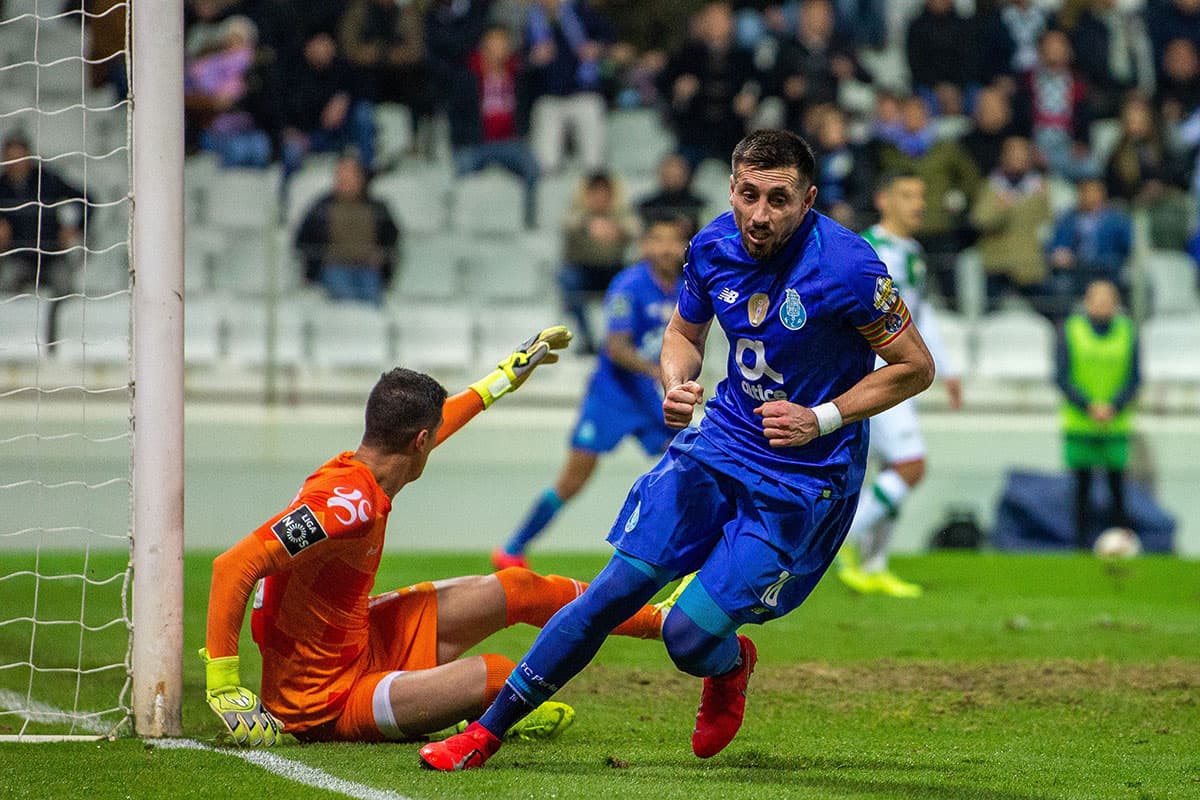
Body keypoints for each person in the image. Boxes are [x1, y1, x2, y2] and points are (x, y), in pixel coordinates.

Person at [418, 129, 935, 771]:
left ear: (808, 199)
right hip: (718, 444)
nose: (759, 215)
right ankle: (485, 733)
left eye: (778, 199)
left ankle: (730, 664)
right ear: (732, 189)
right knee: (610, 593)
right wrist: (676, 380)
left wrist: (822, 417)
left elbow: (915, 366)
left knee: (687, 640)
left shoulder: (851, 266)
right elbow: (682, 333)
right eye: (748, 195)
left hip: (802, 478)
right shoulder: (714, 244)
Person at [200, 327, 670, 746]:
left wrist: (504, 377)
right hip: (323, 700)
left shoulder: (365, 473)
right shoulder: (345, 504)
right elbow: (235, 565)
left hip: (360, 642)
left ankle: (659, 621)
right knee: (501, 679)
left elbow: (440, 421)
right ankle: (487, 710)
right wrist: (224, 681)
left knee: (519, 588)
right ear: (419, 441)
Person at [493, 216, 689, 570]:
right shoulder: (629, 286)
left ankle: (681, 553)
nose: (665, 247)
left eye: (673, 240)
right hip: (611, 397)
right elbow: (615, 347)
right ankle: (512, 548)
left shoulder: (686, 289)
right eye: (657, 238)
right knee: (573, 480)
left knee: (686, 467)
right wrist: (658, 372)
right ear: (644, 246)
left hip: (650, 399)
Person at [835, 172, 961, 598]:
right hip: (875, 373)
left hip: (901, 372)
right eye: (908, 195)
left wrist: (948, 368)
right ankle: (844, 539)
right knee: (911, 466)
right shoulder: (865, 249)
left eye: (922, 195)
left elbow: (915, 317)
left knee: (895, 469)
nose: (919, 204)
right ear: (884, 199)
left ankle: (874, 565)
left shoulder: (912, 253)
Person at [1055, 279, 1140, 549]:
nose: (1102, 305)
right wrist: (1088, 405)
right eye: (1097, 299)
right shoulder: (1071, 329)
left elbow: (1135, 377)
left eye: (1107, 299)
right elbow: (1061, 375)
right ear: (1087, 301)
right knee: (1082, 489)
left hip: (1115, 424)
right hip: (1081, 423)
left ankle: (1122, 544)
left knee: (1118, 490)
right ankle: (1080, 546)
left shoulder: (1127, 331)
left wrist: (1113, 405)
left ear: (1116, 303)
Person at [450, 25, 541, 230]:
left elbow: (526, 105)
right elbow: (457, 113)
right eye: (494, 44)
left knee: (533, 168)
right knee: (461, 169)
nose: (499, 49)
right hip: (476, 143)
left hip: (510, 142)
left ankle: (529, 222)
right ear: (484, 46)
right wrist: (461, 141)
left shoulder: (518, 75)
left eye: (503, 44)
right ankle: (458, 224)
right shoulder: (467, 77)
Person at [294, 156, 399, 305]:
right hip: (334, 267)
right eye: (341, 175)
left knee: (372, 300)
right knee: (345, 299)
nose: (345, 180)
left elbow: (391, 238)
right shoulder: (321, 208)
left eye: (350, 175)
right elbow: (302, 239)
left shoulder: (377, 208)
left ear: (360, 179)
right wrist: (318, 260)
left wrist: (382, 258)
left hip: (368, 268)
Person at [558, 171, 642, 354]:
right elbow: (566, 224)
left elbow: (637, 231)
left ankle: (623, 338)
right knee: (566, 279)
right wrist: (588, 222)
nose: (600, 198)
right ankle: (586, 338)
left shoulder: (621, 214)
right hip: (583, 271)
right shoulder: (576, 213)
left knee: (635, 280)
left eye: (604, 193)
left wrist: (617, 228)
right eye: (595, 193)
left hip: (613, 270)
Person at [970, 135, 1053, 312]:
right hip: (997, 264)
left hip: (1029, 265)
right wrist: (1001, 209)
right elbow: (979, 220)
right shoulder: (991, 186)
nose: (1018, 158)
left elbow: (1048, 224)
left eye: (1023, 153)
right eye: (1013, 153)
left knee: (1047, 311)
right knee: (991, 316)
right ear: (1003, 156)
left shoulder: (1039, 188)